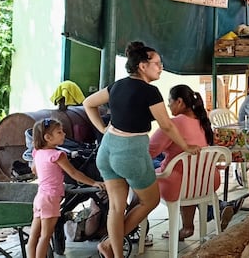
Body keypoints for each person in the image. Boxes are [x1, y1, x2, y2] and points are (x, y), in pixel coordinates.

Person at [83, 41, 201, 258]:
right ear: (142, 66)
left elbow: (88, 103)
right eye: (157, 63)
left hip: (107, 151)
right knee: (150, 200)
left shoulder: (116, 86)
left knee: (117, 208)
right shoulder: (150, 92)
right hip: (130, 153)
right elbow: (166, 125)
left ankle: (114, 252)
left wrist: (102, 128)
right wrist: (186, 146)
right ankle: (109, 244)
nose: (161, 67)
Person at [148, 84, 234, 239]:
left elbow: (149, 151)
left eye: (170, 101)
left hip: (179, 185)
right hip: (207, 181)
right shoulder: (202, 121)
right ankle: (187, 227)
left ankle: (136, 231)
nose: (168, 105)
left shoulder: (173, 124)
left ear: (179, 102)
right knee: (181, 167)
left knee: (145, 171)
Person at [27, 118, 104, 258]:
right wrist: (93, 182)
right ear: (48, 137)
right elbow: (74, 173)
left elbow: (34, 169)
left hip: (40, 198)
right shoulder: (57, 155)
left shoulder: (37, 152)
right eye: (59, 132)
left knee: (34, 235)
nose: (64, 134)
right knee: (45, 236)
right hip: (51, 198)